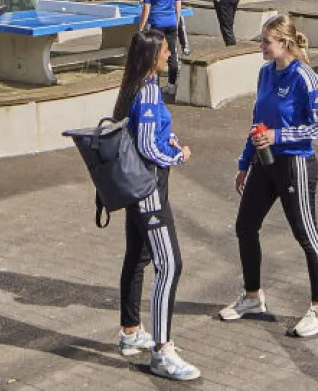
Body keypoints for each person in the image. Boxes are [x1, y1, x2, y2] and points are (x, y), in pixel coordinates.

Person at [221, 14, 318, 338]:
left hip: (295, 163)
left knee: (306, 234)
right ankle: (252, 297)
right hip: (264, 162)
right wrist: (245, 162)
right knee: (245, 226)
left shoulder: (305, 77)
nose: (261, 46)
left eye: (266, 42)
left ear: (284, 43)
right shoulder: (265, 73)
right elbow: (258, 121)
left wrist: (279, 136)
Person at [112, 29, 199, 382]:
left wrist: (169, 138)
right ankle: (162, 352)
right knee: (170, 265)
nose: (169, 54)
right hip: (149, 190)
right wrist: (178, 155)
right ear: (151, 57)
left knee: (138, 258)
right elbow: (148, 147)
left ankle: (131, 331)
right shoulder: (147, 91)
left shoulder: (135, 87)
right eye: (164, 50)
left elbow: (143, 133)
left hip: (135, 189)